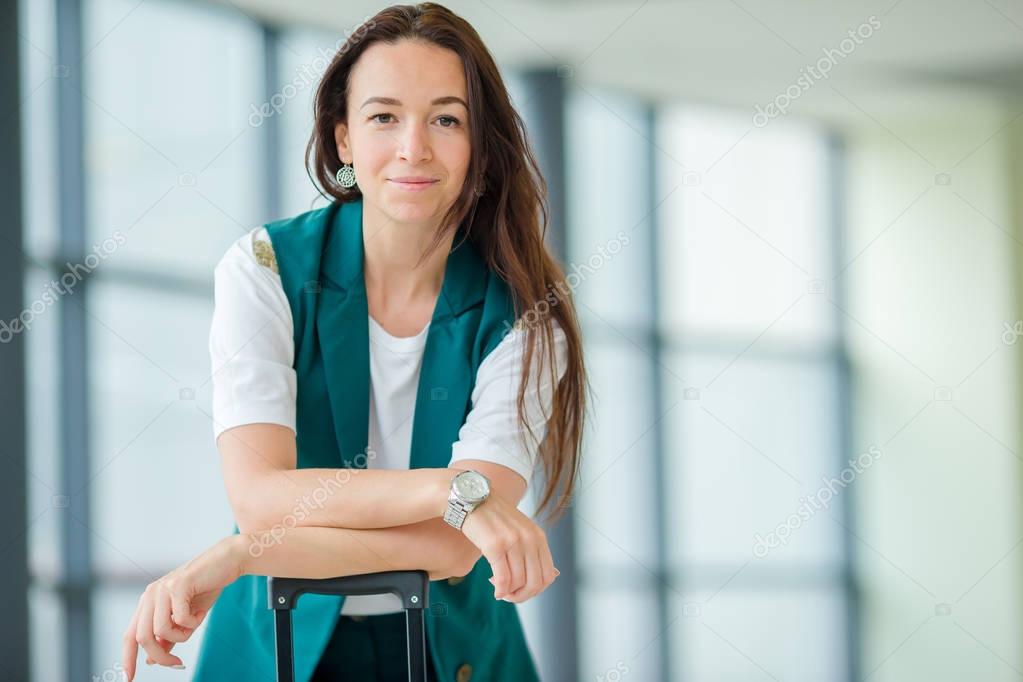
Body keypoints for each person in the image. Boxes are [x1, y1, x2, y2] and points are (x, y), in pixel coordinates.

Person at [119, 3, 587, 680]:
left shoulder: (525, 318)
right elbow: (260, 498)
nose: (412, 148)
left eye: (446, 119)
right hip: (274, 642)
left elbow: (452, 552)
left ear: (481, 149)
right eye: (383, 117)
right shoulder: (265, 269)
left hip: (449, 650)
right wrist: (448, 492)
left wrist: (245, 554)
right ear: (342, 139)